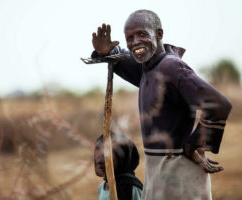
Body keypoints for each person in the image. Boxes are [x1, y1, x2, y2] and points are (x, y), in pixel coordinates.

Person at [91, 10, 232, 200]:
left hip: (178, 171)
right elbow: (126, 59)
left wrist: (193, 145)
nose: (135, 42)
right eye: (129, 38)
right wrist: (107, 52)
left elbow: (218, 105)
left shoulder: (171, 67)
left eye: (142, 34)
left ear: (159, 34)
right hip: (158, 171)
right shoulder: (149, 69)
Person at [94, 132, 143, 200]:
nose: (99, 161)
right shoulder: (102, 187)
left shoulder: (131, 188)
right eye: (98, 154)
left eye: (107, 155)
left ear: (123, 158)